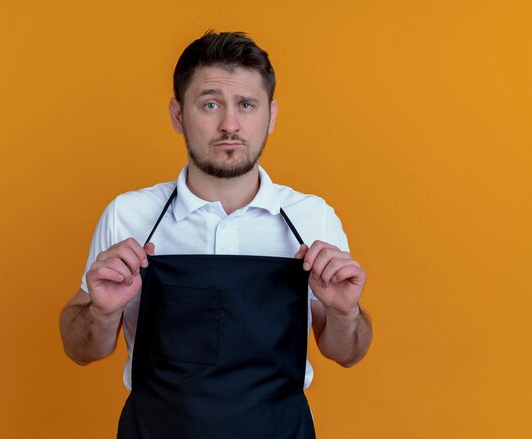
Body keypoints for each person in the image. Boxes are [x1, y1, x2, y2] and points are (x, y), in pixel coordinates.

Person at [60, 30, 372, 438]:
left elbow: (347, 353)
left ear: (271, 115)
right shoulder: (130, 215)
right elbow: (81, 348)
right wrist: (101, 313)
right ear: (177, 115)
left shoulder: (313, 218)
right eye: (210, 104)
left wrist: (345, 312)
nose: (230, 124)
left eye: (246, 105)